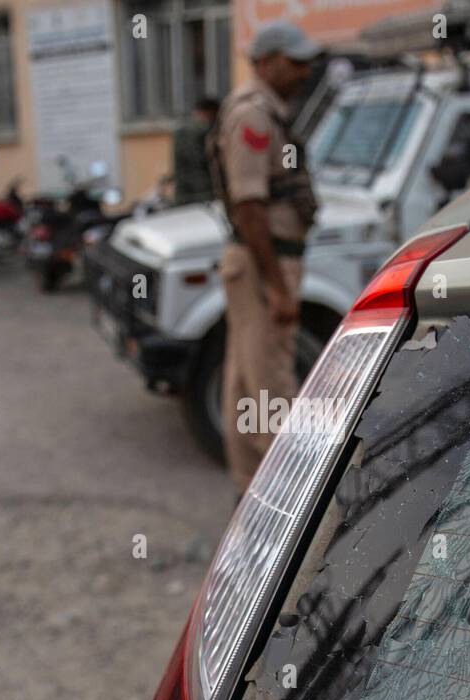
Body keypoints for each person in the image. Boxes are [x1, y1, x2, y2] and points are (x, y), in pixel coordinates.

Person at [208, 22, 320, 491]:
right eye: (294, 62)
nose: (303, 72)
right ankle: (288, 496)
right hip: (264, 263)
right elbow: (250, 207)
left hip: (258, 262)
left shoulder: (266, 112)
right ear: (267, 60)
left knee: (244, 386)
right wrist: (277, 286)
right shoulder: (254, 117)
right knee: (271, 385)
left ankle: (249, 487)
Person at [172, 98, 220, 205]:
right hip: (203, 196)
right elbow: (203, 161)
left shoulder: (182, 131)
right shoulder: (204, 130)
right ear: (211, 113)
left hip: (184, 196)